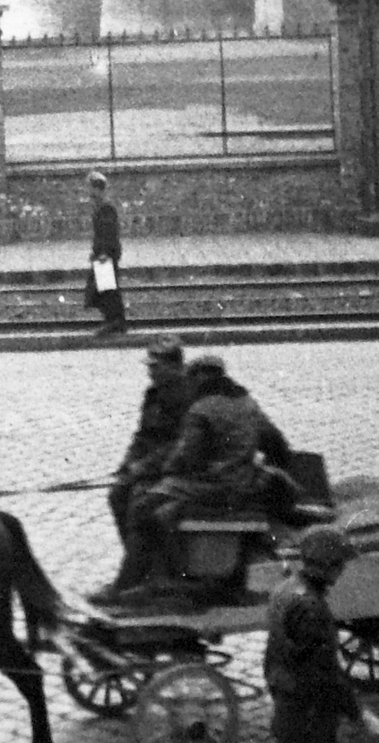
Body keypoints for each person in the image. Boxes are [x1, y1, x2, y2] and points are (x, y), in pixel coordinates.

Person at [132, 354, 298, 591]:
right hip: (245, 483)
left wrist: (157, 470)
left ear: (200, 378)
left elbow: (186, 459)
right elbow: (277, 445)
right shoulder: (247, 403)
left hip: (216, 486)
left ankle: (157, 579)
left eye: (192, 378)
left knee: (143, 505)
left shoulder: (202, 408)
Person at [260, 526, 379, 743]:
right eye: (340, 564)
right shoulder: (311, 609)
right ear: (329, 566)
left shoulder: (285, 590)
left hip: (295, 709)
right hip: (308, 716)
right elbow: (325, 675)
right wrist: (360, 714)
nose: (342, 571)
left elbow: (272, 658)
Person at [91, 337, 192, 604]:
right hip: (152, 469)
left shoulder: (186, 397)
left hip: (176, 471)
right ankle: (145, 569)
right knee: (116, 495)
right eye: (150, 366)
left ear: (174, 366)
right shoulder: (153, 395)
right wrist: (126, 465)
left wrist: (143, 468)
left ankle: (129, 581)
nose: (150, 371)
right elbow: (142, 437)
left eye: (156, 366)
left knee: (141, 502)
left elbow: (179, 445)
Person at [82, 170, 126, 336]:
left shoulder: (106, 207)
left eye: (89, 187)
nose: (88, 191)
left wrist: (103, 253)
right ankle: (114, 321)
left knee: (107, 289)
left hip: (105, 253)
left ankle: (114, 322)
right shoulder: (102, 206)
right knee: (104, 288)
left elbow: (108, 233)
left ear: (96, 188)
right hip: (102, 252)